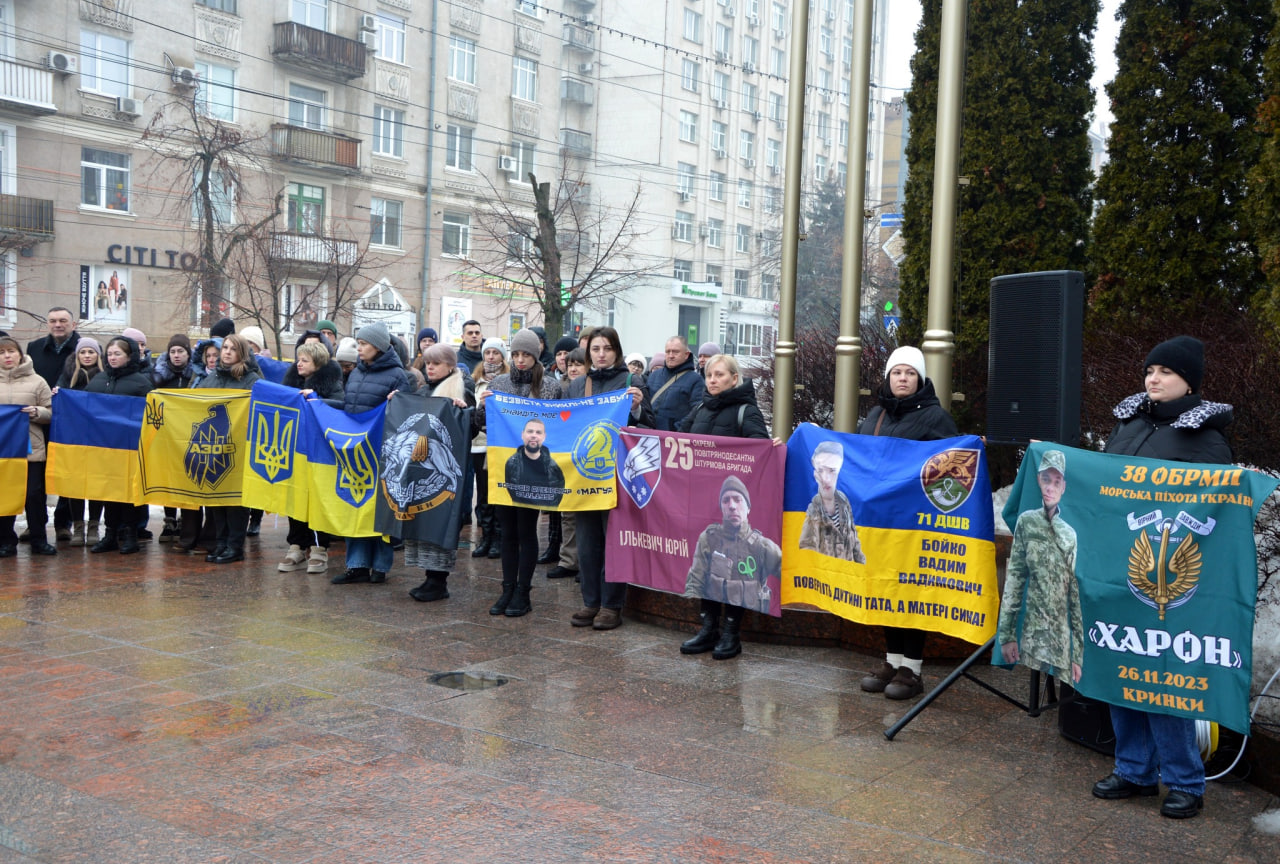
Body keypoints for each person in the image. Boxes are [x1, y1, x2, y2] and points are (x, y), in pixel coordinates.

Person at [1091, 336, 1230, 820]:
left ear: (1189, 381)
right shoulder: (1127, 424)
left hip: (1169, 577)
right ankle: (1134, 770)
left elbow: (1216, 511)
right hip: (1119, 567)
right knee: (1119, 668)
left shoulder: (1207, 438)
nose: (1153, 379)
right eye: (1150, 370)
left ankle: (1186, 780)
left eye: (1166, 372)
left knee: (1164, 677)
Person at [855, 345, 958, 700]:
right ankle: (891, 660)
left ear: (921, 379)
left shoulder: (936, 417)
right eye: (897, 372)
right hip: (881, 523)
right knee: (888, 590)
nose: (903, 378)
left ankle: (911, 668)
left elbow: (951, 470)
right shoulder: (875, 415)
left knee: (911, 593)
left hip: (916, 523)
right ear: (888, 377)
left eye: (910, 373)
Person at [677, 354, 773, 659]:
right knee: (708, 567)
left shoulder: (748, 412)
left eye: (720, 375)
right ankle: (708, 629)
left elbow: (760, 454)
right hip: (703, 501)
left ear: (735, 378)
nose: (713, 380)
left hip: (731, 506)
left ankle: (731, 633)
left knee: (733, 569)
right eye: (709, 375)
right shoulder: (700, 408)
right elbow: (675, 441)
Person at [564, 326, 655, 630]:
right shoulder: (578, 386)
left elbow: (652, 426)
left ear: (616, 350)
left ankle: (611, 605)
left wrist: (639, 408)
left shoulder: (631, 381)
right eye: (595, 349)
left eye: (607, 348)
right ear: (588, 353)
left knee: (614, 541)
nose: (601, 354)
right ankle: (590, 601)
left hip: (618, 476)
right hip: (585, 476)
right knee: (588, 543)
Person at [475, 329, 561, 617]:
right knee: (507, 531)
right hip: (502, 467)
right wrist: (483, 406)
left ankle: (523, 591)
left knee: (526, 530)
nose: (521, 360)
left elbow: (556, 427)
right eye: (516, 355)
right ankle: (507, 588)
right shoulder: (498, 382)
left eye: (526, 355)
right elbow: (483, 425)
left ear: (536, 357)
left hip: (534, 469)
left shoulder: (549, 386)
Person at [333, 322, 413, 585]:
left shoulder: (398, 376)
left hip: (381, 455)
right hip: (356, 453)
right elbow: (348, 406)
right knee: (354, 506)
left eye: (364, 344)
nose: (359, 348)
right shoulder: (355, 373)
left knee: (379, 511)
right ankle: (356, 565)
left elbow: (405, 416)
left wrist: (397, 402)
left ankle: (380, 566)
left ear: (378, 346)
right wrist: (316, 401)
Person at [997, 449, 1082, 683]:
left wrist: (1077, 655)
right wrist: (1007, 635)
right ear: (1038, 480)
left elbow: (1073, 595)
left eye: (1056, 482)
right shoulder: (1027, 522)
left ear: (1063, 487)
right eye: (1046, 479)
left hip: (1061, 641)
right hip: (1032, 636)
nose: (1050, 487)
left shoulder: (1069, 534)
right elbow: (1015, 579)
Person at [403, 343, 475, 602]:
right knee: (424, 520)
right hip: (421, 468)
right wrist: (395, 401)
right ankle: (428, 577)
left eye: (436, 363)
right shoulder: (423, 390)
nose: (430, 367)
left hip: (446, 473)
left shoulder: (462, 388)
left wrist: (464, 411)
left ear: (450, 365)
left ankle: (438, 580)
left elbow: (473, 428)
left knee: (442, 522)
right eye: (427, 363)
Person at [277, 340, 345, 576]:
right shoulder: (291, 382)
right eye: (298, 359)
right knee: (295, 496)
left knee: (318, 498)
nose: (299, 363)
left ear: (317, 364)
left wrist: (316, 400)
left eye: (305, 360)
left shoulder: (332, 383)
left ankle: (319, 548)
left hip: (320, 452)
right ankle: (296, 545)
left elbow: (341, 406)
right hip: (295, 449)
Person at [192, 334, 260, 563]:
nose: (227, 352)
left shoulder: (252, 379)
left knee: (235, 502)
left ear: (242, 353)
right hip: (214, 447)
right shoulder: (211, 378)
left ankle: (235, 546)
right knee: (216, 497)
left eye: (233, 349)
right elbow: (194, 404)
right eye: (225, 348)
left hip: (240, 449)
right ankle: (221, 543)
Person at [85, 336, 153, 554]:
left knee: (129, 493)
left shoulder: (141, 382)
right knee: (108, 492)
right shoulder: (98, 380)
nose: (112, 358)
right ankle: (110, 535)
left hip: (130, 447)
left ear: (129, 356)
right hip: (104, 447)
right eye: (110, 354)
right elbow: (83, 406)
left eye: (118, 354)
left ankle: (131, 535)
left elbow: (150, 414)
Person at [28, 307, 79, 543]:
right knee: (36, 475)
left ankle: (63, 523)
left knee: (67, 473)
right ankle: (35, 523)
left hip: (71, 420)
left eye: (63, 321)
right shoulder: (34, 348)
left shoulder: (83, 348)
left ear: (73, 324)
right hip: (40, 418)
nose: (57, 325)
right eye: (52, 321)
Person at [0, 336, 54, 557]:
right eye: (2, 352)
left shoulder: (38, 381)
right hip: (3, 451)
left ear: (19, 354)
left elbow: (51, 413)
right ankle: (6, 541)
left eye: (11, 351)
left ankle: (39, 539)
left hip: (31, 449)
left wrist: (37, 412)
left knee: (34, 495)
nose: (7, 356)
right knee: (4, 495)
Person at [150, 334, 197, 542]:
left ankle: (185, 522)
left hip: (190, 433)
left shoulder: (196, 375)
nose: (176, 356)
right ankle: (169, 520)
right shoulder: (158, 375)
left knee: (186, 475)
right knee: (168, 476)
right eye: (173, 352)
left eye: (181, 351)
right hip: (166, 433)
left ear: (188, 353)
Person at [547, 348, 587, 580]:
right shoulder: (563, 390)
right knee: (567, 511)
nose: (572, 368)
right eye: (570, 364)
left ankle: (587, 563)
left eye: (578, 364)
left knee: (588, 512)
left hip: (589, 458)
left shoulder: (594, 390)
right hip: (566, 455)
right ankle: (569, 560)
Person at [470, 338, 509, 559]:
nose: (491, 356)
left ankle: (498, 538)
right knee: (483, 494)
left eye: (496, 352)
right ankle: (486, 537)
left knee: (497, 493)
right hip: (480, 444)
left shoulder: (507, 380)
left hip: (500, 444)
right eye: (488, 353)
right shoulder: (476, 380)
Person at [798, 441, 866, 563]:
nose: (826, 478)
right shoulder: (813, 511)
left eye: (832, 471)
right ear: (815, 474)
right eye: (821, 470)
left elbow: (855, 546)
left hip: (848, 579)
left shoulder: (844, 504)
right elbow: (806, 554)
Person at [504, 419, 566, 506]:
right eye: (530, 431)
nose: (534, 435)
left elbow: (558, 494)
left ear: (544, 437)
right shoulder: (511, 463)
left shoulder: (554, 467)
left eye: (538, 432)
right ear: (522, 435)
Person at [648, 336, 703, 431]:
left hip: (675, 439)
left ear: (686, 355)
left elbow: (696, 411)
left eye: (675, 352)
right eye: (668, 351)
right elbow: (645, 406)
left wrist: (677, 430)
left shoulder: (696, 380)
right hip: (649, 436)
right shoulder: (654, 376)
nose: (671, 355)